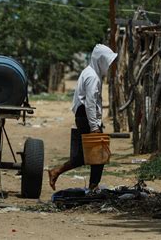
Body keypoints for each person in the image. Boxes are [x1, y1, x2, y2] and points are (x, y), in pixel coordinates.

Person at [48, 44, 117, 191]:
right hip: (86, 116)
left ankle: (57, 172)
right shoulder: (92, 77)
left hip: (83, 116)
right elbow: (90, 103)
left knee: (85, 155)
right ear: (100, 60)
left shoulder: (89, 72)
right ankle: (93, 186)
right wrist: (94, 127)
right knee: (99, 153)